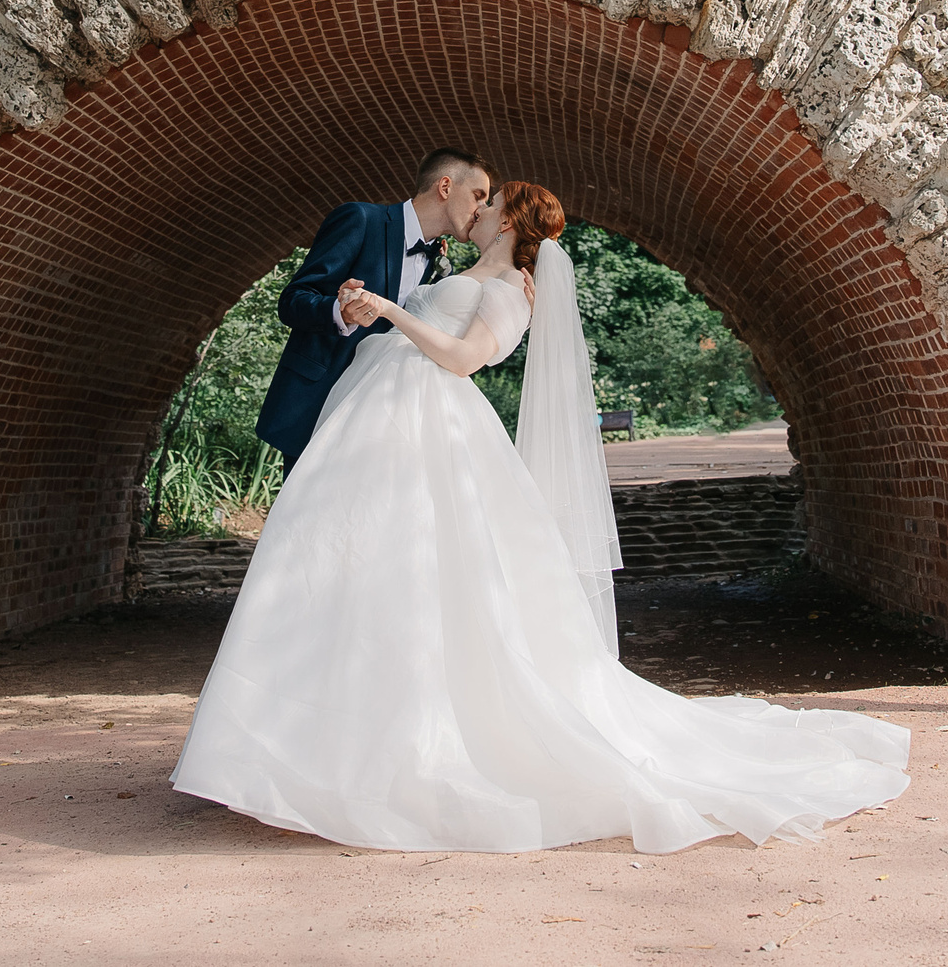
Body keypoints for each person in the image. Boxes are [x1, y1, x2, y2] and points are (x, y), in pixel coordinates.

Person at [173, 180, 909, 854]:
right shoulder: (464, 271)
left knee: (419, 581)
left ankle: (390, 752)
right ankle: (306, 747)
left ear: (509, 222)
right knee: (341, 570)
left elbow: (462, 359)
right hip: (375, 420)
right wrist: (371, 304)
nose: (478, 207)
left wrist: (392, 312)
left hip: (428, 429)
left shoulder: (511, 293)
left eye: (490, 201)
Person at [254, 148, 490, 464]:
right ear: (445, 187)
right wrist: (339, 312)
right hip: (318, 403)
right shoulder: (361, 219)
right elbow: (292, 300)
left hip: (379, 422)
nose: (481, 209)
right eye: (478, 196)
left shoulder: (438, 259)